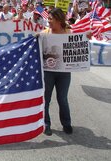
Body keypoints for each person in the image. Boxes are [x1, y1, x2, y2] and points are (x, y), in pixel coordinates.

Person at [40, 8, 73, 136]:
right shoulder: (45, 33)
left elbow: (80, 42)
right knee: (46, 99)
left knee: (62, 98)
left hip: (64, 73)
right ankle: (46, 124)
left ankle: (66, 123)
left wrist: (86, 37)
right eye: (48, 18)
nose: (48, 21)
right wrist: (36, 36)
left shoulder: (69, 33)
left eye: (50, 19)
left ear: (59, 20)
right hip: (48, 72)